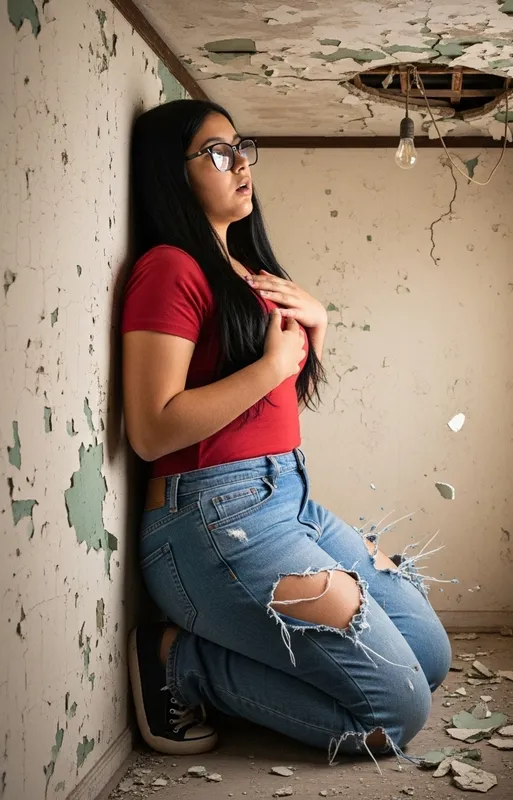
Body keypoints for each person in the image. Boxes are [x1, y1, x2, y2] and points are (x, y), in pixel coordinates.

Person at [121, 99, 452, 760]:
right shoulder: (170, 267)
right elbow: (152, 430)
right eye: (217, 153)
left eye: (241, 147)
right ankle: (176, 660)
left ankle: (245, 660)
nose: (241, 164)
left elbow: (266, 405)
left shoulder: (246, 270)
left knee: (429, 655)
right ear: (172, 173)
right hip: (210, 521)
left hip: (289, 500)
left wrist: (315, 328)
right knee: (395, 715)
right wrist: (273, 364)